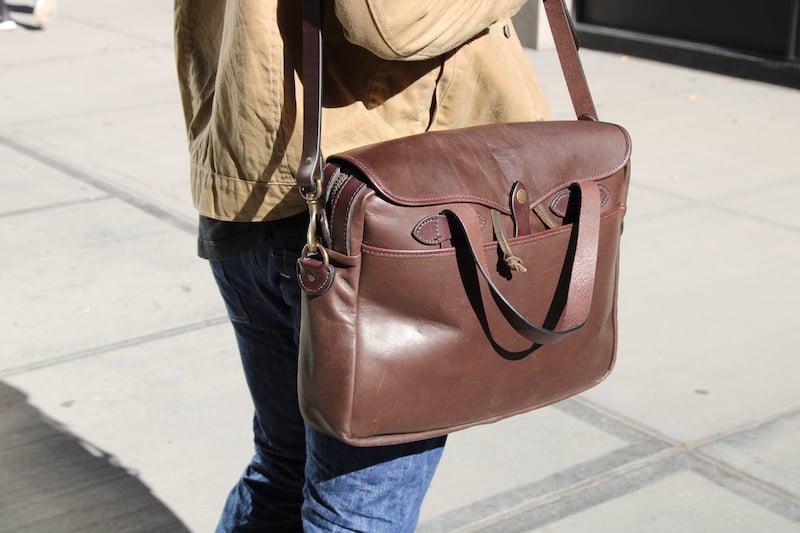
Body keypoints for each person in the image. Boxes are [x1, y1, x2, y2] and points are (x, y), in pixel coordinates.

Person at [173, 1, 550, 531]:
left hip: (251, 174)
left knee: (284, 468)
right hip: (369, 209)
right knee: (356, 510)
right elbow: (388, 17)